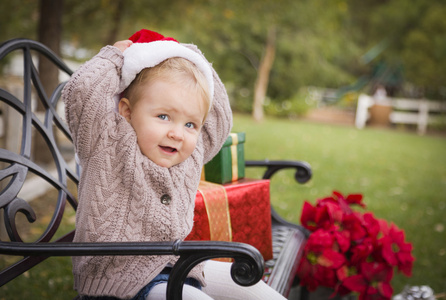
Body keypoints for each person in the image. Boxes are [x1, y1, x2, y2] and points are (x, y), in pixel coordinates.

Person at [63, 29, 286, 300]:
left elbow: (219, 118)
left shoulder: (188, 154)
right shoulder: (108, 144)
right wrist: (114, 56)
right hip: (119, 281)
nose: (177, 133)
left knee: (259, 293)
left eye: (190, 124)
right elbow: (81, 93)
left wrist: (189, 55)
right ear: (127, 111)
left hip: (177, 266)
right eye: (164, 116)